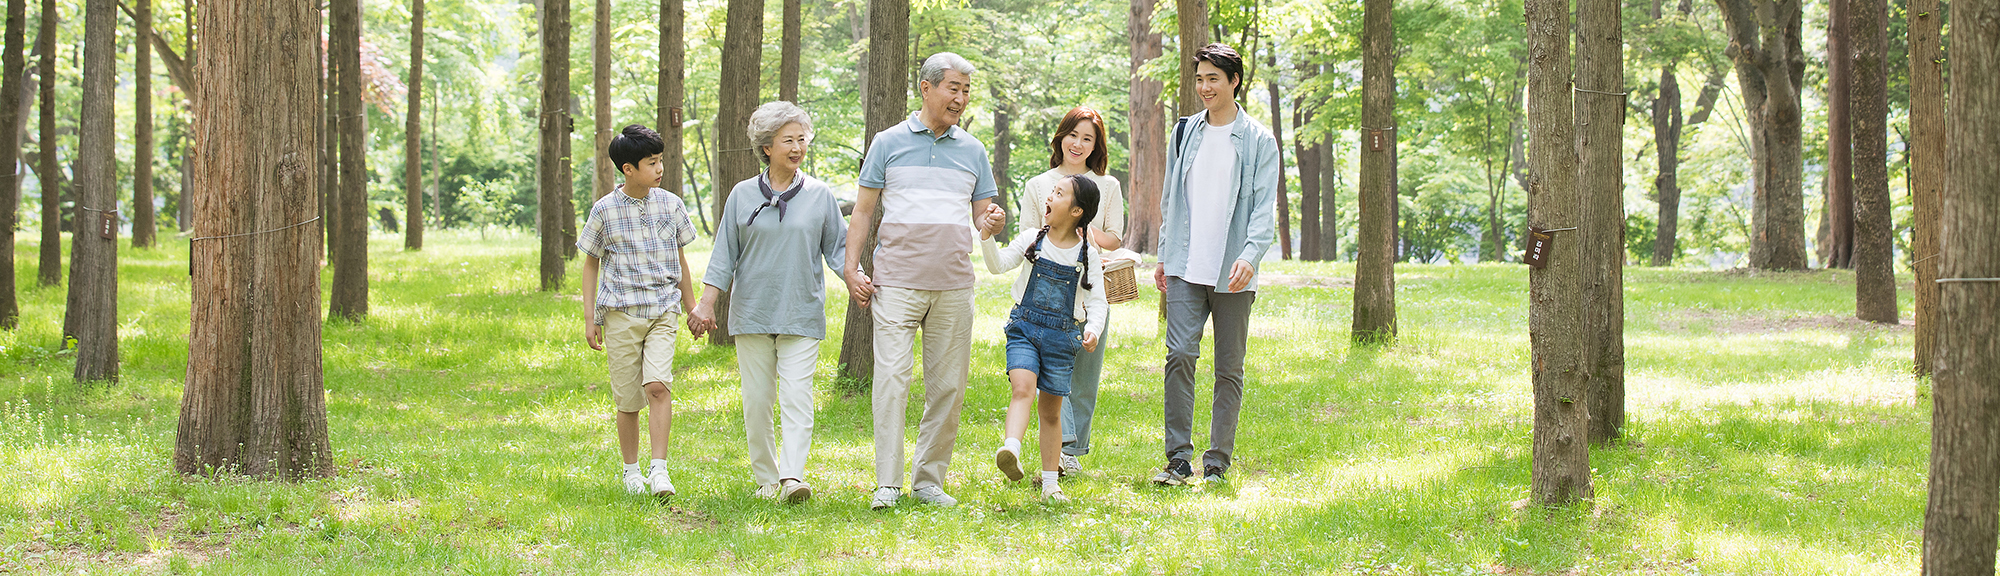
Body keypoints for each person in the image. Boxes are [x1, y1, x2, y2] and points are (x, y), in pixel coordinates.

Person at [844, 52, 1007, 510]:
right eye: (953, 88)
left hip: (954, 283)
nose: (960, 98)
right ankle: (887, 483)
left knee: (948, 386)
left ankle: (929, 480)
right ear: (926, 88)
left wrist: (991, 219)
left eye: (966, 90)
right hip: (895, 282)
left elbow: (983, 214)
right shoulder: (888, 141)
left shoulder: (973, 150)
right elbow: (863, 210)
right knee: (892, 380)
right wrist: (851, 266)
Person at [689, 102, 846, 504]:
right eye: (788, 140)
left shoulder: (819, 195)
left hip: (800, 310)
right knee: (757, 402)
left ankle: (793, 478)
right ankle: (766, 480)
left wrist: (861, 279)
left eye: (802, 139)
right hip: (753, 311)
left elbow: (840, 251)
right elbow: (724, 255)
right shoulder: (742, 195)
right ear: (766, 147)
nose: (797, 147)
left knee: (797, 397)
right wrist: (706, 305)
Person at [1150, 43, 1279, 487]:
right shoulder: (1185, 132)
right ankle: (1178, 459)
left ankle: (1218, 462)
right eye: (1200, 79)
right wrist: (1165, 254)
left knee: (1229, 367)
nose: (1204, 87)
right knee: (1180, 355)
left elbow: (1265, 209)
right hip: (1186, 266)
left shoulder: (1259, 140)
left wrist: (1250, 255)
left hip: (1233, 270)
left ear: (1234, 82)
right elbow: (1171, 197)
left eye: (1213, 79)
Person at [578, 124, 700, 498]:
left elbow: (680, 259)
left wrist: (692, 307)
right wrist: (590, 318)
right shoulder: (605, 210)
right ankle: (631, 472)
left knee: (658, 387)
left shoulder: (671, 204)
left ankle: (659, 470)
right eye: (652, 162)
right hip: (620, 315)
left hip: (664, 310)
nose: (660, 168)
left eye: (661, 160)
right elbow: (590, 263)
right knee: (628, 399)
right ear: (628, 168)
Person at [982, 175, 1107, 504]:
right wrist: (986, 237)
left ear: (1077, 210)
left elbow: (1097, 302)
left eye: (1059, 193)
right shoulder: (1031, 239)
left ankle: (1051, 484)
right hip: (1024, 329)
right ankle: (1011, 448)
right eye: (1052, 191)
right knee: (1022, 388)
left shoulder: (1087, 256)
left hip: (1062, 339)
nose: (1050, 196)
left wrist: (1092, 327)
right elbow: (997, 266)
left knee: (1051, 412)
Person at [1018, 106, 1125, 477]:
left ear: (1096, 146)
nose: (1078, 144)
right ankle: (1060, 452)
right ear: (1060, 137)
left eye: (1087, 139)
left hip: (1090, 286)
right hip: (1046, 292)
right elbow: (1029, 238)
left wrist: (1084, 228)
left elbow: (1114, 236)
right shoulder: (1037, 185)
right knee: (1051, 371)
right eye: (1073, 135)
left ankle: (1074, 452)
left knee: (1084, 374)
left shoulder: (1107, 186)